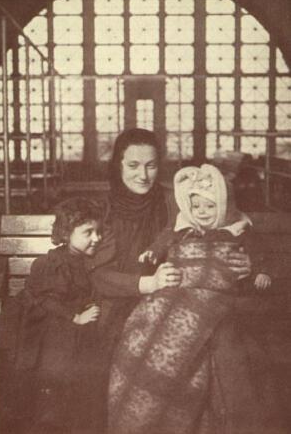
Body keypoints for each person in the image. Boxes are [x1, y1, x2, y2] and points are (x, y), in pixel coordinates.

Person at [91, 129, 252, 431]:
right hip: (121, 306)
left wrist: (244, 265)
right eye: (133, 165)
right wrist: (146, 284)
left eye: (151, 165)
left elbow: (218, 231)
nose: (143, 175)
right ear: (118, 166)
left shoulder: (176, 202)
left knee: (212, 346)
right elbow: (96, 276)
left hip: (180, 304)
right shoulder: (103, 210)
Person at [108, 164, 285, 434]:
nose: (202, 213)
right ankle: (140, 407)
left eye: (210, 207)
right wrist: (153, 254)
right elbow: (163, 242)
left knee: (190, 326)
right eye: (197, 207)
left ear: (223, 206)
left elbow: (260, 258)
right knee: (144, 321)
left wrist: (258, 271)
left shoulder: (238, 230)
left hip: (216, 297)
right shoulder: (182, 230)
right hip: (177, 291)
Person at [11, 197, 111, 434]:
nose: (96, 238)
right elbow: (44, 301)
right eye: (88, 232)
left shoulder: (84, 261)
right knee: (63, 379)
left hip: (74, 334)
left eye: (98, 232)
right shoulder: (53, 263)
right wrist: (74, 318)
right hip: (49, 333)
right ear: (66, 233)